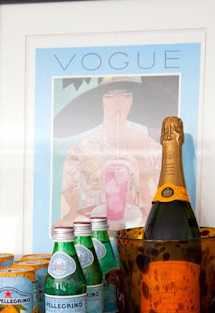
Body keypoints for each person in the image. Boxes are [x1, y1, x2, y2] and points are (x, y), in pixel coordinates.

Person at [55, 76, 163, 231]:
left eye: (126, 94)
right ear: (100, 100)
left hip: (137, 233)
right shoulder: (81, 149)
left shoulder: (150, 147)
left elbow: (156, 210)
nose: (118, 102)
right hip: (95, 234)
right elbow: (68, 214)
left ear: (133, 99)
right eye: (109, 95)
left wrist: (140, 162)